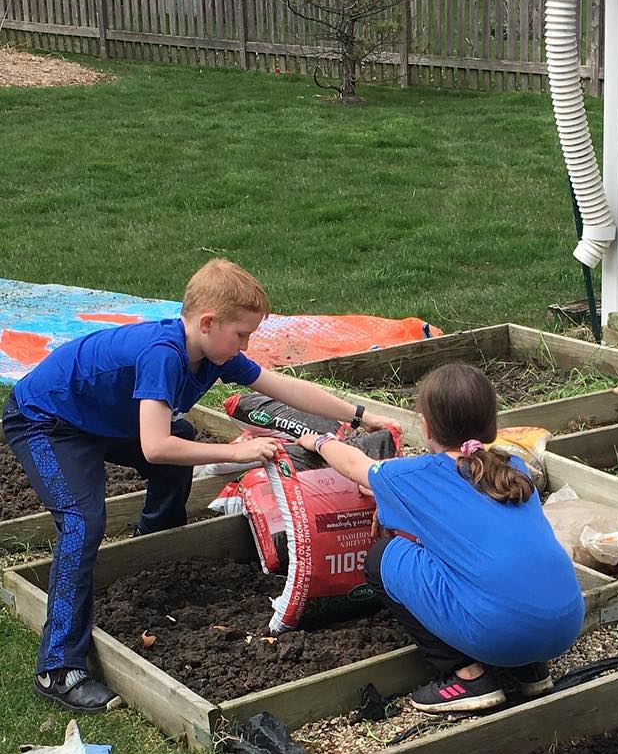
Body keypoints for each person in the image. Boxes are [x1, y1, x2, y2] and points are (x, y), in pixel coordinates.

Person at [3, 259, 395, 712]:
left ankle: (153, 549)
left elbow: (280, 386)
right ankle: (58, 668)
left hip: (100, 418)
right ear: (207, 323)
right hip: (46, 422)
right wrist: (237, 452)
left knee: (184, 437)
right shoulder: (163, 355)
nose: (246, 345)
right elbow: (154, 446)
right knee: (82, 523)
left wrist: (360, 416)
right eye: (242, 334)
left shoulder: (211, 352)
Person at [296, 361, 584, 715]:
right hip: (565, 626)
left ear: (427, 426)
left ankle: (467, 676)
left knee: (383, 557)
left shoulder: (413, 475)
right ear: (491, 422)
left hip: (502, 634)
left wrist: (320, 440)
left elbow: (354, 464)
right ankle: (528, 670)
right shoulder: (513, 468)